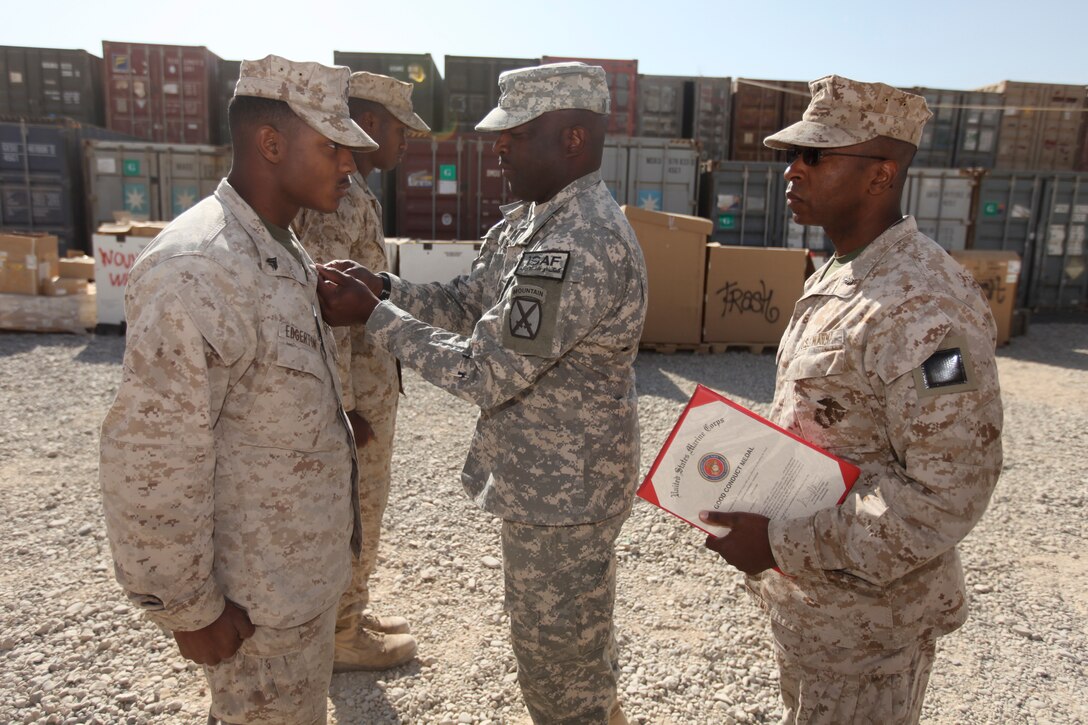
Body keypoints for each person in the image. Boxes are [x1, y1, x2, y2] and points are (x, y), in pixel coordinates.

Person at [316, 62, 647, 724]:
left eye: (517, 134)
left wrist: (374, 318)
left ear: (574, 139)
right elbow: (471, 299)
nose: (499, 146)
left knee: (562, 681)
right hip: (544, 485)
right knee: (568, 657)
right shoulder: (534, 221)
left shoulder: (579, 241)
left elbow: (486, 369)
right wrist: (385, 289)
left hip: (567, 498)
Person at [699, 75, 1004, 724]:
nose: (793, 169)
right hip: (822, 613)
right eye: (792, 153)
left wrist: (781, 539)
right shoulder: (845, 268)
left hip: (871, 632)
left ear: (880, 175)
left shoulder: (923, 302)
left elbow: (948, 494)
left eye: (816, 155)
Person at [98, 55, 376, 725]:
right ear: (271, 143)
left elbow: (260, 396)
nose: (350, 164)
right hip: (255, 611)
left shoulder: (281, 248)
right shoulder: (199, 264)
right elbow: (153, 453)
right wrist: (188, 607)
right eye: (332, 145)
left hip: (296, 585)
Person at [293, 71, 429, 671]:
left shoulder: (357, 193)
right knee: (354, 509)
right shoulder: (340, 199)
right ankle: (342, 633)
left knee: (363, 509)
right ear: (370, 124)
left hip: (369, 388)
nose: (408, 143)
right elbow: (323, 313)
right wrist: (343, 410)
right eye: (402, 129)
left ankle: (351, 608)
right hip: (355, 400)